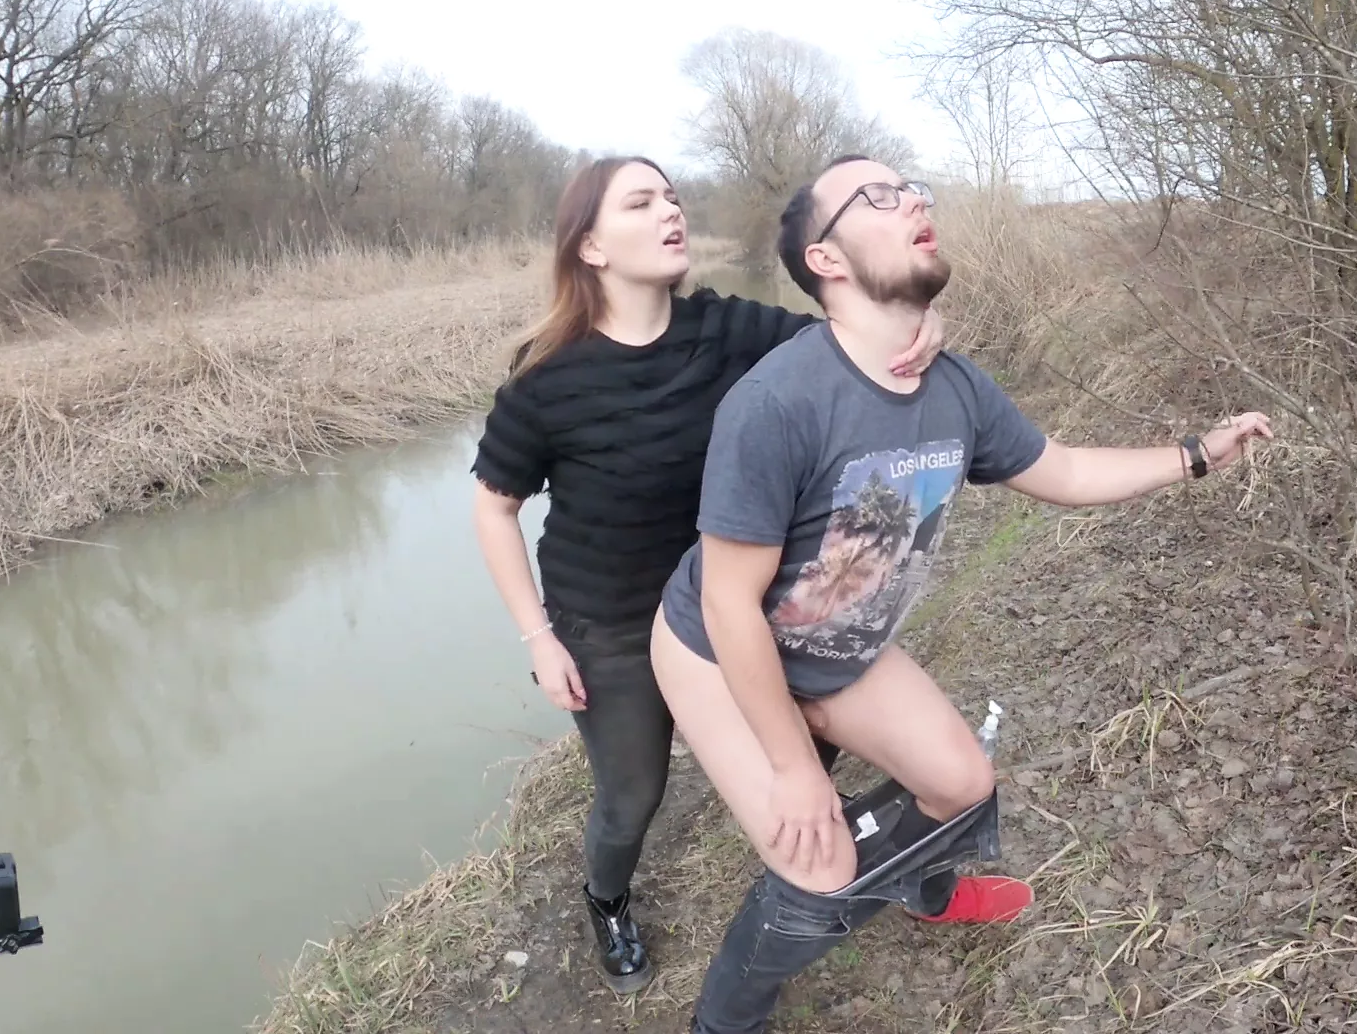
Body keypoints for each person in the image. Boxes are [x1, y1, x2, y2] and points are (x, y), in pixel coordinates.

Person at [650, 154, 1274, 1032]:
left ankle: (917, 885)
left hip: (837, 644)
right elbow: (728, 604)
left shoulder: (954, 386)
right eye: (878, 196)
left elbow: (1062, 471)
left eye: (912, 188)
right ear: (825, 259)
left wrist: (1196, 455)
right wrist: (794, 769)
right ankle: (724, 1018)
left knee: (961, 781)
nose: (911, 199)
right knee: (818, 865)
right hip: (719, 649)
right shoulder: (777, 403)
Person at [467, 154, 951, 995]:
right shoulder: (547, 380)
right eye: (642, 202)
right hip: (611, 622)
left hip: (727, 605)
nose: (671, 211)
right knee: (633, 794)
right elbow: (493, 508)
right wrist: (539, 637)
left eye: (673, 197)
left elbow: (848, 332)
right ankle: (607, 900)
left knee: (804, 738)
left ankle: (830, 844)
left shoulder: (728, 329)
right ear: (591, 247)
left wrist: (921, 327)